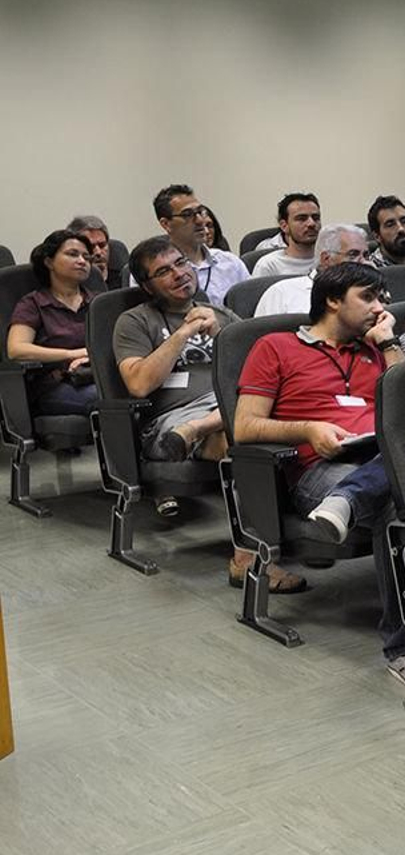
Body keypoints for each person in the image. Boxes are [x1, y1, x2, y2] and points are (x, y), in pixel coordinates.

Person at [234, 263, 405, 681]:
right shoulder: (275, 347)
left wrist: (389, 344)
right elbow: (245, 427)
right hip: (319, 467)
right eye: (367, 297)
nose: (380, 307)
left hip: (380, 457)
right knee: (397, 503)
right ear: (333, 301)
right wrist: (308, 428)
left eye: (382, 298)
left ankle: (350, 499)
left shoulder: (376, 347)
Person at [116, 236, 306, 588]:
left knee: (275, 423)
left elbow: (261, 368)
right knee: (243, 444)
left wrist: (224, 335)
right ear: (146, 286)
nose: (178, 274)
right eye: (163, 271)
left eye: (180, 264)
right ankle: (247, 557)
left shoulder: (220, 314)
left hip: (228, 407)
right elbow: (139, 384)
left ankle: (290, 533)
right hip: (172, 419)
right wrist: (183, 332)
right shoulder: (133, 321)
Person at [6, 230, 98, 416]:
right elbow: (16, 350)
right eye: (73, 254)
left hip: (97, 376)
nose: (82, 261)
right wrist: (71, 354)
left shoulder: (98, 302)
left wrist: (90, 358)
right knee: (109, 400)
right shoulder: (33, 303)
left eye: (86, 257)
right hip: (55, 385)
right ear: (49, 262)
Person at [152, 184, 249, 301]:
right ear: (166, 224)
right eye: (187, 214)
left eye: (200, 211)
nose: (199, 220)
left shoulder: (231, 263)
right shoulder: (154, 271)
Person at [254, 224, 374, 317]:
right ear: (326, 259)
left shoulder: (373, 292)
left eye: (366, 255)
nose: (363, 262)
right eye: (353, 255)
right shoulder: (281, 293)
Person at [253, 193, 323, 278]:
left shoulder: (331, 260)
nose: (311, 223)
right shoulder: (269, 265)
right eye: (301, 218)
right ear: (284, 226)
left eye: (316, 218)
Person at [366, 195, 405, 267]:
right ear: (377, 236)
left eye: (404, 221)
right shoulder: (370, 269)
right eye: (390, 225)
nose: (400, 229)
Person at [66, 215, 112, 283]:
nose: (98, 252)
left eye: (102, 245)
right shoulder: (71, 285)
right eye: (91, 246)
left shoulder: (121, 277)